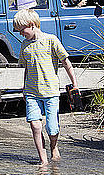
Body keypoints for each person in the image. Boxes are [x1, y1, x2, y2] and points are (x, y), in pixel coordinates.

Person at [13, 9, 79, 166]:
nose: (21, 34)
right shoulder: (25, 46)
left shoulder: (51, 40)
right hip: (31, 92)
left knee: (52, 127)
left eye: (22, 30)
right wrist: (23, 88)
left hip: (50, 92)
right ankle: (43, 161)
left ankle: (53, 146)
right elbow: (27, 69)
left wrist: (74, 83)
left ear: (32, 25)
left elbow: (66, 63)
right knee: (35, 125)